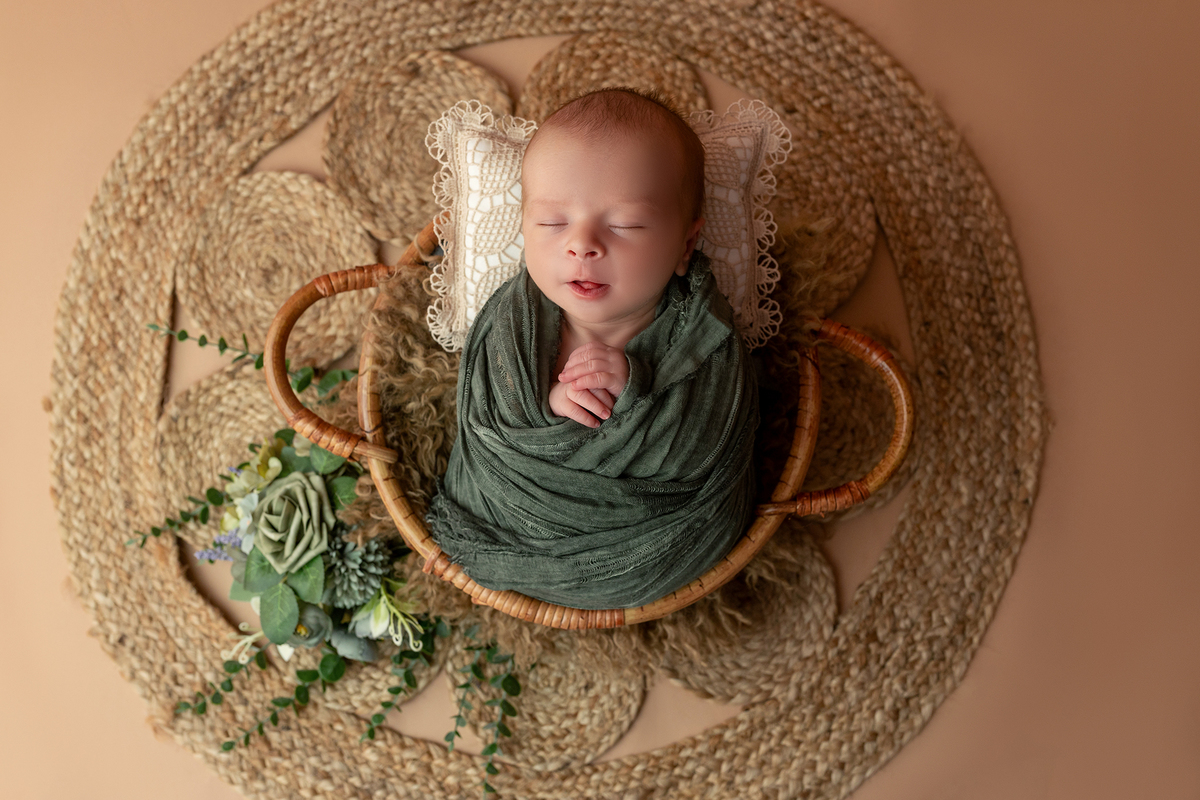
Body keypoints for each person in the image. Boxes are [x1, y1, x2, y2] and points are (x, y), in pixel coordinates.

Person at [426, 88, 759, 610]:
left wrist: (639, 392)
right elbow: (487, 422)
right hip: (505, 515)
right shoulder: (511, 326)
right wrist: (549, 410)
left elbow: (709, 431)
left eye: (624, 223)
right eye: (554, 223)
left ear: (685, 245)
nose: (582, 244)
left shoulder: (705, 337)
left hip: (656, 546)